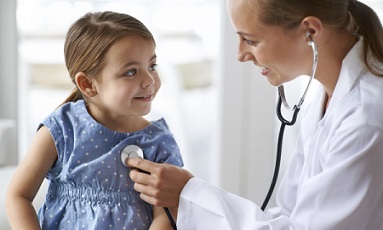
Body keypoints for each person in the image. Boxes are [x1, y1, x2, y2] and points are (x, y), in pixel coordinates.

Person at [126, 0, 383, 229]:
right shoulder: (328, 97)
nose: (240, 55)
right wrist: (188, 197)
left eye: (250, 40)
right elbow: (287, 214)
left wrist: (188, 194)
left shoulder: (365, 119)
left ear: (310, 32)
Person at [6, 11, 183, 229]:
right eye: (131, 72)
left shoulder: (159, 143)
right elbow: (18, 196)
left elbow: (166, 215)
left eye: (152, 66)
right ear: (88, 84)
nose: (149, 80)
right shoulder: (62, 129)